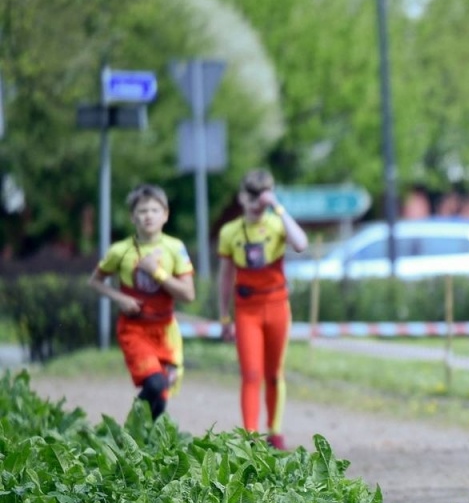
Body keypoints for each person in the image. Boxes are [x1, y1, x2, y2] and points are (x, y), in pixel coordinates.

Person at [87, 185, 197, 421]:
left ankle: (145, 445)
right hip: (134, 329)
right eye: (142, 210)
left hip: (167, 331)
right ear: (132, 216)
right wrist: (120, 298)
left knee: (161, 398)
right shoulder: (120, 250)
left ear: (165, 214)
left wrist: (156, 272)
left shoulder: (175, 248)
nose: (148, 215)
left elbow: (188, 294)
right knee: (155, 384)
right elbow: (94, 282)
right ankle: (128, 432)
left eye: (155, 210)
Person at [216, 168, 308, 449]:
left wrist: (277, 207)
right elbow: (225, 276)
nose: (258, 201)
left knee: (273, 373)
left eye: (263, 195)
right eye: (252, 195)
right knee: (251, 374)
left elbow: (301, 244)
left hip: (277, 306)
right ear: (242, 196)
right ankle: (250, 437)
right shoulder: (230, 232)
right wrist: (224, 315)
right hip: (247, 310)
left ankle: (275, 432)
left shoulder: (277, 223)